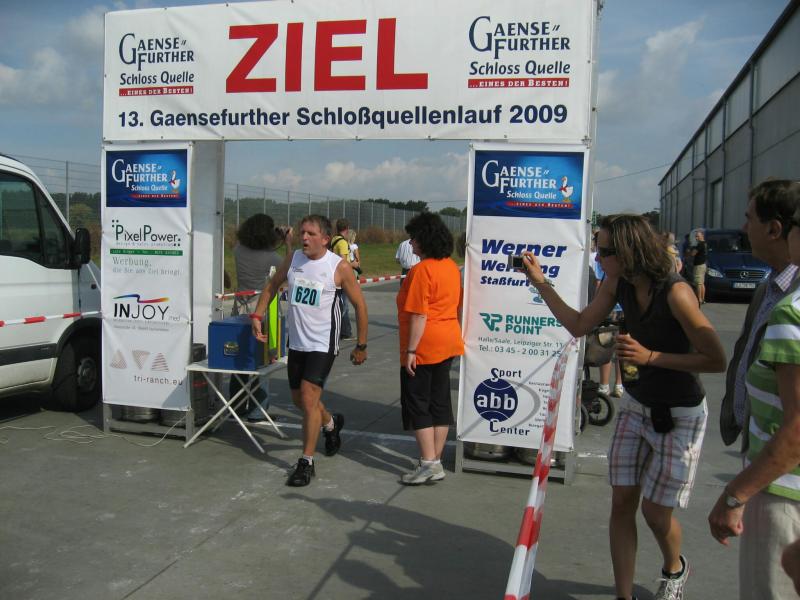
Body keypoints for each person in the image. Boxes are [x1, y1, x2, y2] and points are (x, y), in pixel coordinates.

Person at [523, 214, 726, 600]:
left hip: (680, 413)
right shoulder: (618, 282)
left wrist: (651, 357)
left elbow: (716, 359)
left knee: (655, 513)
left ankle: (674, 568)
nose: (598, 258)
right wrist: (541, 283)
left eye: (604, 251)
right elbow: (579, 325)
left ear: (629, 252)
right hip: (637, 404)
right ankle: (624, 595)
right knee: (621, 503)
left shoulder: (676, 293)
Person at [708, 180, 800, 600]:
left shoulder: (792, 310)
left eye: (750, 219)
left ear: (777, 229)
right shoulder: (770, 287)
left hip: (782, 490)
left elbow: (796, 428)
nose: (744, 228)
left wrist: (735, 494)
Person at [250, 215, 369, 487]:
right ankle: (331, 424)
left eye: (311, 234)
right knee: (300, 401)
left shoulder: (338, 267)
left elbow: (360, 306)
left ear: (325, 239)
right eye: (303, 232)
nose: (304, 237)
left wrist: (361, 345)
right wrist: (257, 315)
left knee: (308, 396)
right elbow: (272, 286)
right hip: (297, 343)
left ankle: (306, 462)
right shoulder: (293, 260)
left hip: (323, 343)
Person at [397, 213, 464, 485]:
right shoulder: (450, 267)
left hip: (425, 343)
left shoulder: (421, 271)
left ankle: (427, 463)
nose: (411, 243)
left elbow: (418, 314)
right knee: (439, 400)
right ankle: (434, 461)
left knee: (418, 402)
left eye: (413, 238)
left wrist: (411, 350)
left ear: (424, 239)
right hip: (448, 339)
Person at [229, 214, 291, 421]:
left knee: (240, 357)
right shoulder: (271, 257)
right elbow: (289, 268)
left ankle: (236, 407)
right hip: (261, 310)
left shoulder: (238, 250)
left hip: (240, 308)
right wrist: (286, 242)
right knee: (262, 361)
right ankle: (258, 410)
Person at [592, 231, 624, 398]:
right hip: (622, 311)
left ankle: (604, 385)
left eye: (602, 252)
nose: (598, 257)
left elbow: (599, 282)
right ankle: (619, 385)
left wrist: (594, 305)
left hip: (609, 311)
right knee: (622, 349)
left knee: (606, 347)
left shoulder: (603, 261)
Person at [331, 219, 354, 340]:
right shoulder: (343, 243)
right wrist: (353, 264)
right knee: (344, 306)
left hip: (334, 275)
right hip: (343, 277)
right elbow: (344, 262)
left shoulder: (334, 239)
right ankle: (343, 332)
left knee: (339, 304)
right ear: (347, 228)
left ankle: (342, 330)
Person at [691, 229, 707, 304]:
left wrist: (691, 250)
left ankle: (699, 299)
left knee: (698, 283)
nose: (696, 238)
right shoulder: (705, 243)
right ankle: (703, 299)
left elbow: (693, 253)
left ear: (702, 236)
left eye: (698, 236)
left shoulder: (700, 244)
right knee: (702, 283)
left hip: (699, 265)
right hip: (703, 264)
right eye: (696, 236)